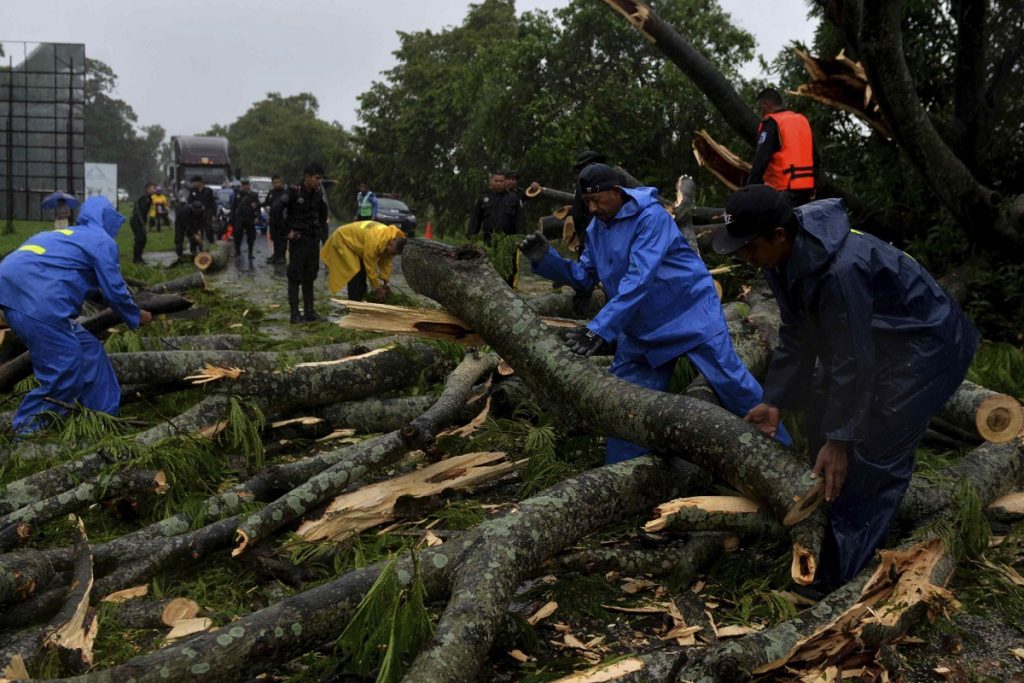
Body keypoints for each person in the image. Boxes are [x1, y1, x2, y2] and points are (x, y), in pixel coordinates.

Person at [713, 184, 979, 593]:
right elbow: (798, 333)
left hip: (927, 346)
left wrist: (841, 439)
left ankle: (838, 577)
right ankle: (824, 516)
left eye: (748, 247)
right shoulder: (781, 260)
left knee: (874, 445)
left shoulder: (840, 270)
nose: (745, 257)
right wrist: (775, 400)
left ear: (779, 235)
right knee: (820, 397)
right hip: (881, 341)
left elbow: (853, 360)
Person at [519, 163, 790, 464]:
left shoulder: (651, 217)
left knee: (733, 385)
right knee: (626, 407)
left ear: (617, 191)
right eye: (587, 203)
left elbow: (639, 280)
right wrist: (548, 260)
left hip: (690, 314)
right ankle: (625, 480)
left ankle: (787, 460)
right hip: (643, 330)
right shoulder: (597, 230)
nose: (593, 208)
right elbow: (584, 276)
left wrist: (598, 329)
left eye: (598, 200)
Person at [0, 196, 153, 434]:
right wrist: (135, 315)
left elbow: (75, 275)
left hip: (12, 294)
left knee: (89, 351)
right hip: (39, 301)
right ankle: (27, 432)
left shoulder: (64, 236)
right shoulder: (101, 241)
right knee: (66, 366)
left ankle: (103, 417)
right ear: (107, 220)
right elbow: (115, 291)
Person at [747, 88, 816, 206]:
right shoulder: (802, 121)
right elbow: (815, 157)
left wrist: (748, 191)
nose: (760, 112)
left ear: (766, 105)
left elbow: (761, 159)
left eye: (760, 108)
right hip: (806, 189)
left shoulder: (771, 123)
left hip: (782, 190)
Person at [282, 163, 329, 323]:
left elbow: (323, 215)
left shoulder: (318, 193)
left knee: (310, 275)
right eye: (317, 178)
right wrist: (287, 231)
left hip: (313, 239)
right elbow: (277, 211)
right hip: (298, 239)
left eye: (321, 178)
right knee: (295, 275)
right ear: (307, 177)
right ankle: (294, 313)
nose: (319, 181)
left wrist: (323, 236)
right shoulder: (294, 191)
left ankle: (309, 312)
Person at [320, 220, 407, 302]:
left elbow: (386, 263)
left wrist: (386, 283)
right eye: (392, 252)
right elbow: (370, 267)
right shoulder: (375, 241)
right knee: (355, 271)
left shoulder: (390, 238)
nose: (391, 255)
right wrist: (377, 289)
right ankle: (354, 303)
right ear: (391, 242)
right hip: (343, 239)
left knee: (362, 271)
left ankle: (361, 297)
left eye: (394, 254)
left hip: (358, 243)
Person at [467, 172, 517, 247]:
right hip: (488, 241)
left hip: (508, 242)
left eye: (501, 181)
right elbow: (475, 220)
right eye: (496, 181)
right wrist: (471, 238)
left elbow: (520, 220)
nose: (499, 183)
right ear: (491, 182)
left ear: (505, 182)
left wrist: (520, 239)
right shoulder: (483, 197)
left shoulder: (513, 197)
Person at [230, 179, 261, 261]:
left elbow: (258, 207)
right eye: (244, 185)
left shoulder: (254, 195)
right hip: (239, 218)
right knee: (237, 235)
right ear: (242, 186)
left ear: (249, 186)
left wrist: (258, 217)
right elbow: (233, 207)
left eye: (247, 185)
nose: (245, 187)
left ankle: (250, 253)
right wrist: (232, 218)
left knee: (251, 236)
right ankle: (237, 251)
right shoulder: (238, 195)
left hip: (250, 218)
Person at [129, 182, 155, 264]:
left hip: (140, 220)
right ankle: (136, 259)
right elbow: (140, 212)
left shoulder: (149, 198)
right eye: (152, 188)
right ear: (147, 189)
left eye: (154, 188)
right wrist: (143, 225)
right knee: (140, 239)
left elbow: (145, 214)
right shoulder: (145, 198)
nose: (154, 190)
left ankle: (139, 257)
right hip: (136, 220)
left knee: (143, 239)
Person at [186, 175, 218, 243]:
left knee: (209, 230)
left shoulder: (208, 191)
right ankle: (198, 247)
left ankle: (212, 243)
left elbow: (213, 203)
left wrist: (214, 215)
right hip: (196, 215)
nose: (192, 184)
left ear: (199, 182)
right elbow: (189, 202)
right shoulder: (192, 191)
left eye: (194, 182)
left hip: (207, 213)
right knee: (197, 231)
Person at [264, 175, 288, 264]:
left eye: (279, 182)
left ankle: (282, 257)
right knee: (274, 238)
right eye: (275, 182)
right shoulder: (271, 192)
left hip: (282, 220)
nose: (277, 184)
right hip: (273, 219)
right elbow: (266, 202)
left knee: (282, 239)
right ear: (272, 183)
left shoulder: (285, 193)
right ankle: (276, 255)